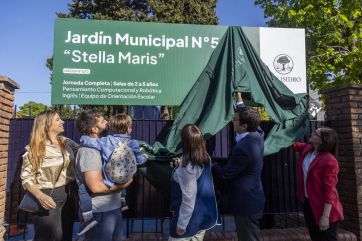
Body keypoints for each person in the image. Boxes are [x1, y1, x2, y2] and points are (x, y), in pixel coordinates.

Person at [77, 113, 147, 235]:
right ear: (94, 129)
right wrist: (126, 183)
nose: (108, 123)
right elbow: (96, 187)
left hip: (112, 207)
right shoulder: (89, 151)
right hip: (99, 212)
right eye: (104, 121)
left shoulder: (106, 142)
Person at [212, 92, 265, 241]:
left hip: (246, 203)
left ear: (244, 125)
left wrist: (210, 164)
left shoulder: (245, 148)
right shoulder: (258, 134)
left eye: (235, 120)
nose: (232, 122)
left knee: (248, 238)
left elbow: (225, 174)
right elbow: (252, 119)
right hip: (253, 198)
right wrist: (239, 101)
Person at [20, 110, 78, 241]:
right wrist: (40, 196)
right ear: (46, 124)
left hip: (69, 196)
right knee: (49, 236)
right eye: (58, 119)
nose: (62, 121)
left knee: (65, 235)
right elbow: (26, 177)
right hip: (47, 197)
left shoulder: (65, 142)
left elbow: (83, 149)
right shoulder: (34, 148)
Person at [292, 127, 343, 241]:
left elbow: (329, 190)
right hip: (309, 205)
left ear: (322, 141)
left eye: (316, 133)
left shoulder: (329, 160)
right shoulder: (308, 149)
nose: (312, 133)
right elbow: (293, 144)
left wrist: (325, 217)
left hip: (324, 209)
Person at [169, 124, 219, 241]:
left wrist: (181, 224)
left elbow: (189, 198)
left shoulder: (186, 167)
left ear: (184, 142)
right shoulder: (205, 157)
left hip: (189, 220)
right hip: (203, 216)